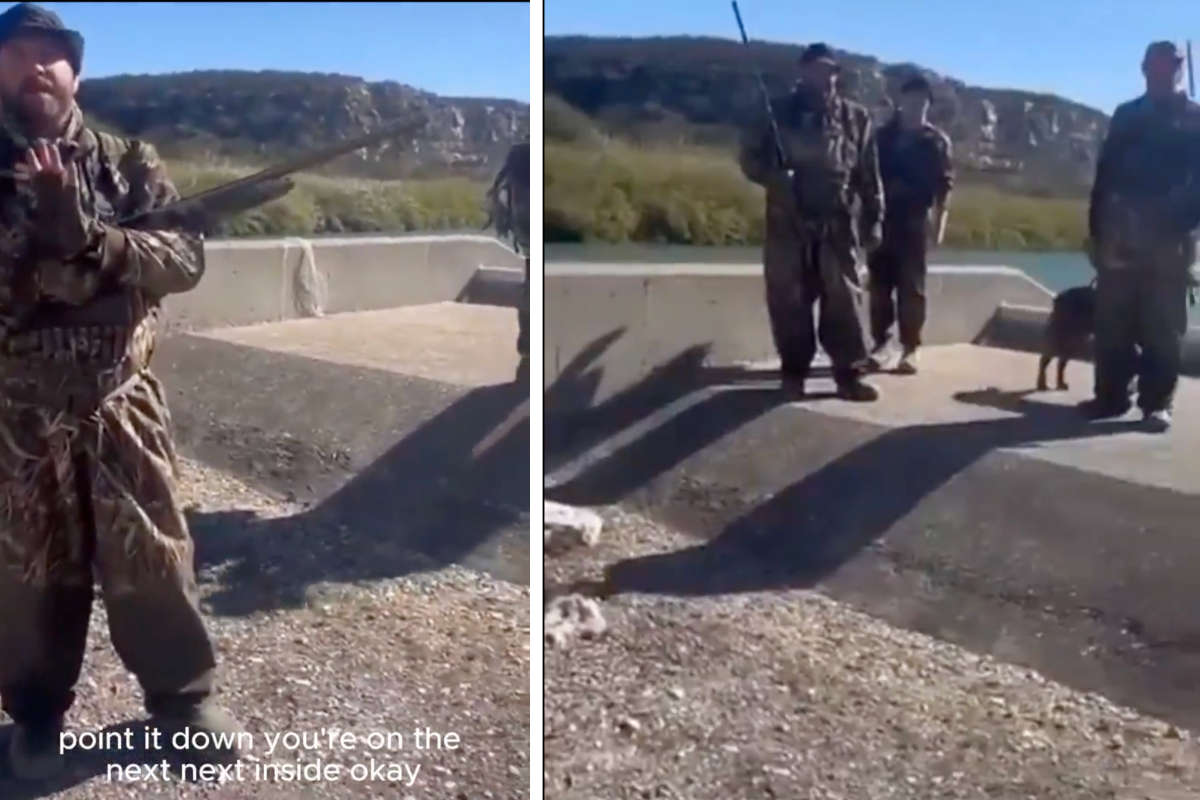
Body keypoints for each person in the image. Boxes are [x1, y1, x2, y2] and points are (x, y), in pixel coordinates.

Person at [0, 3, 243, 779]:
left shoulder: (128, 161)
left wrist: (99, 244)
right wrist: (38, 244)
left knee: (155, 557)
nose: (37, 64)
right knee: (27, 571)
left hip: (119, 399)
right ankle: (35, 717)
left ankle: (183, 701)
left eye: (52, 53)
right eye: (18, 50)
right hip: (17, 410)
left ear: (75, 70)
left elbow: (182, 257)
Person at [738, 43, 884, 401]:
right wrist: (774, 177)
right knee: (789, 299)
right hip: (788, 221)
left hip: (838, 220)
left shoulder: (857, 118)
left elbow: (869, 173)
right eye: (818, 69)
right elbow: (748, 159)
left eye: (831, 70)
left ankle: (849, 375)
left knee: (845, 299)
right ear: (803, 72)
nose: (826, 77)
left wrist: (874, 219)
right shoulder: (776, 112)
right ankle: (793, 373)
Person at [1085, 40, 1200, 430]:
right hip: (1120, 231)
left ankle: (1157, 403)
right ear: (1144, 69)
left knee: (1163, 325)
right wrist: (1095, 229)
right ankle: (1111, 396)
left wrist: (1180, 223)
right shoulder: (1125, 115)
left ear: (1180, 70)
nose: (1163, 72)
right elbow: (1105, 173)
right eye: (1156, 65)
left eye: (1171, 66)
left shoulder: (1194, 117)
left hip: (1170, 236)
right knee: (1113, 318)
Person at [866, 75, 954, 375]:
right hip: (881, 221)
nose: (916, 107)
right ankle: (880, 344)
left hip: (915, 223)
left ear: (928, 105)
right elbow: (865, 178)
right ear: (900, 102)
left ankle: (911, 348)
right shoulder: (880, 137)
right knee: (879, 289)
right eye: (911, 100)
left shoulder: (936, 142)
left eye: (922, 102)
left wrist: (939, 225)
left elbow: (944, 188)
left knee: (912, 290)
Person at [485, 139, 531, 380]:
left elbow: (503, 197)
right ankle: (530, 340)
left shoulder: (517, 161)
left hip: (525, 232)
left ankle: (527, 340)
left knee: (530, 286)